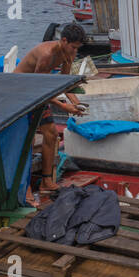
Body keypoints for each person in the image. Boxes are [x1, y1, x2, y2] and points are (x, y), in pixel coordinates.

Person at [15, 22, 87, 200]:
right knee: (28, 141)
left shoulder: (67, 55)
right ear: (63, 40)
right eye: (73, 47)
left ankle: (46, 180)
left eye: (78, 48)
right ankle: (25, 188)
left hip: (37, 93)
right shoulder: (47, 55)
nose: (75, 52)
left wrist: (77, 105)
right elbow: (38, 88)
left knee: (52, 134)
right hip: (21, 92)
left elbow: (64, 85)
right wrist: (63, 106)